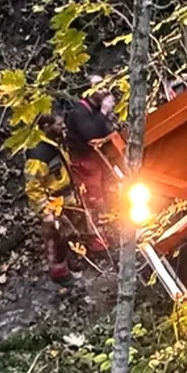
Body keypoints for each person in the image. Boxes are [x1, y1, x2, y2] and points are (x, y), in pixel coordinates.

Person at [64, 78, 117, 251]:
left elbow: (107, 130)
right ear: (89, 90)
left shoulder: (95, 109)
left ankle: (111, 230)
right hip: (84, 160)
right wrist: (103, 111)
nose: (104, 89)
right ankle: (97, 240)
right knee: (94, 199)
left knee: (107, 193)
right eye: (99, 86)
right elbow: (92, 136)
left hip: (98, 158)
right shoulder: (80, 112)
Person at [24, 114, 76, 283]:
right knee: (55, 240)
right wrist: (46, 212)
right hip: (52, 205)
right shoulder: (38, 154)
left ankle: (70, 261)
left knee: (67, 234)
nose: (64, 127)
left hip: (66, 199)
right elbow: (33, 188)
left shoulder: (55, 143)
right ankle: (58, 273)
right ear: (47, 126)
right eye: (60, 124)